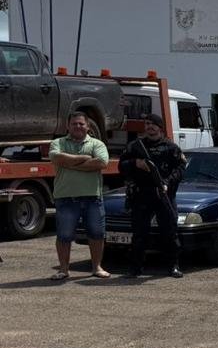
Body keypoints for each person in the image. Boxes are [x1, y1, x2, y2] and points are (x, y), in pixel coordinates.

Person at [118, 112, 186, 278]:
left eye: (153, 124)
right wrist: (136, 163)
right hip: (141, 195)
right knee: (139, 233)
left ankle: (172, 266)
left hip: (164, 194)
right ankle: (135, 267)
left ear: (160, 127)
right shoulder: (135, 146)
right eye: (147, 124)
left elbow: (180, 169)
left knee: (169, 232)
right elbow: (121, 166)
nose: (149, 127)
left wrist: (167, 182)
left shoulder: (171, 148)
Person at [48, 110, 111, 280]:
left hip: (92, 198)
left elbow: (101, 162)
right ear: (67, 126)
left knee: (97, 234)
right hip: (66, 197)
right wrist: (84, 158)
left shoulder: (97, 144)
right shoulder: (57, 142)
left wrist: (70, 164)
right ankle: (63, 269)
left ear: (88, 126)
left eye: (81, 123)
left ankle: (97, 267)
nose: (78, 126)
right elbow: (56, 158)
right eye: (74, 123)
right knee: (64, 235)